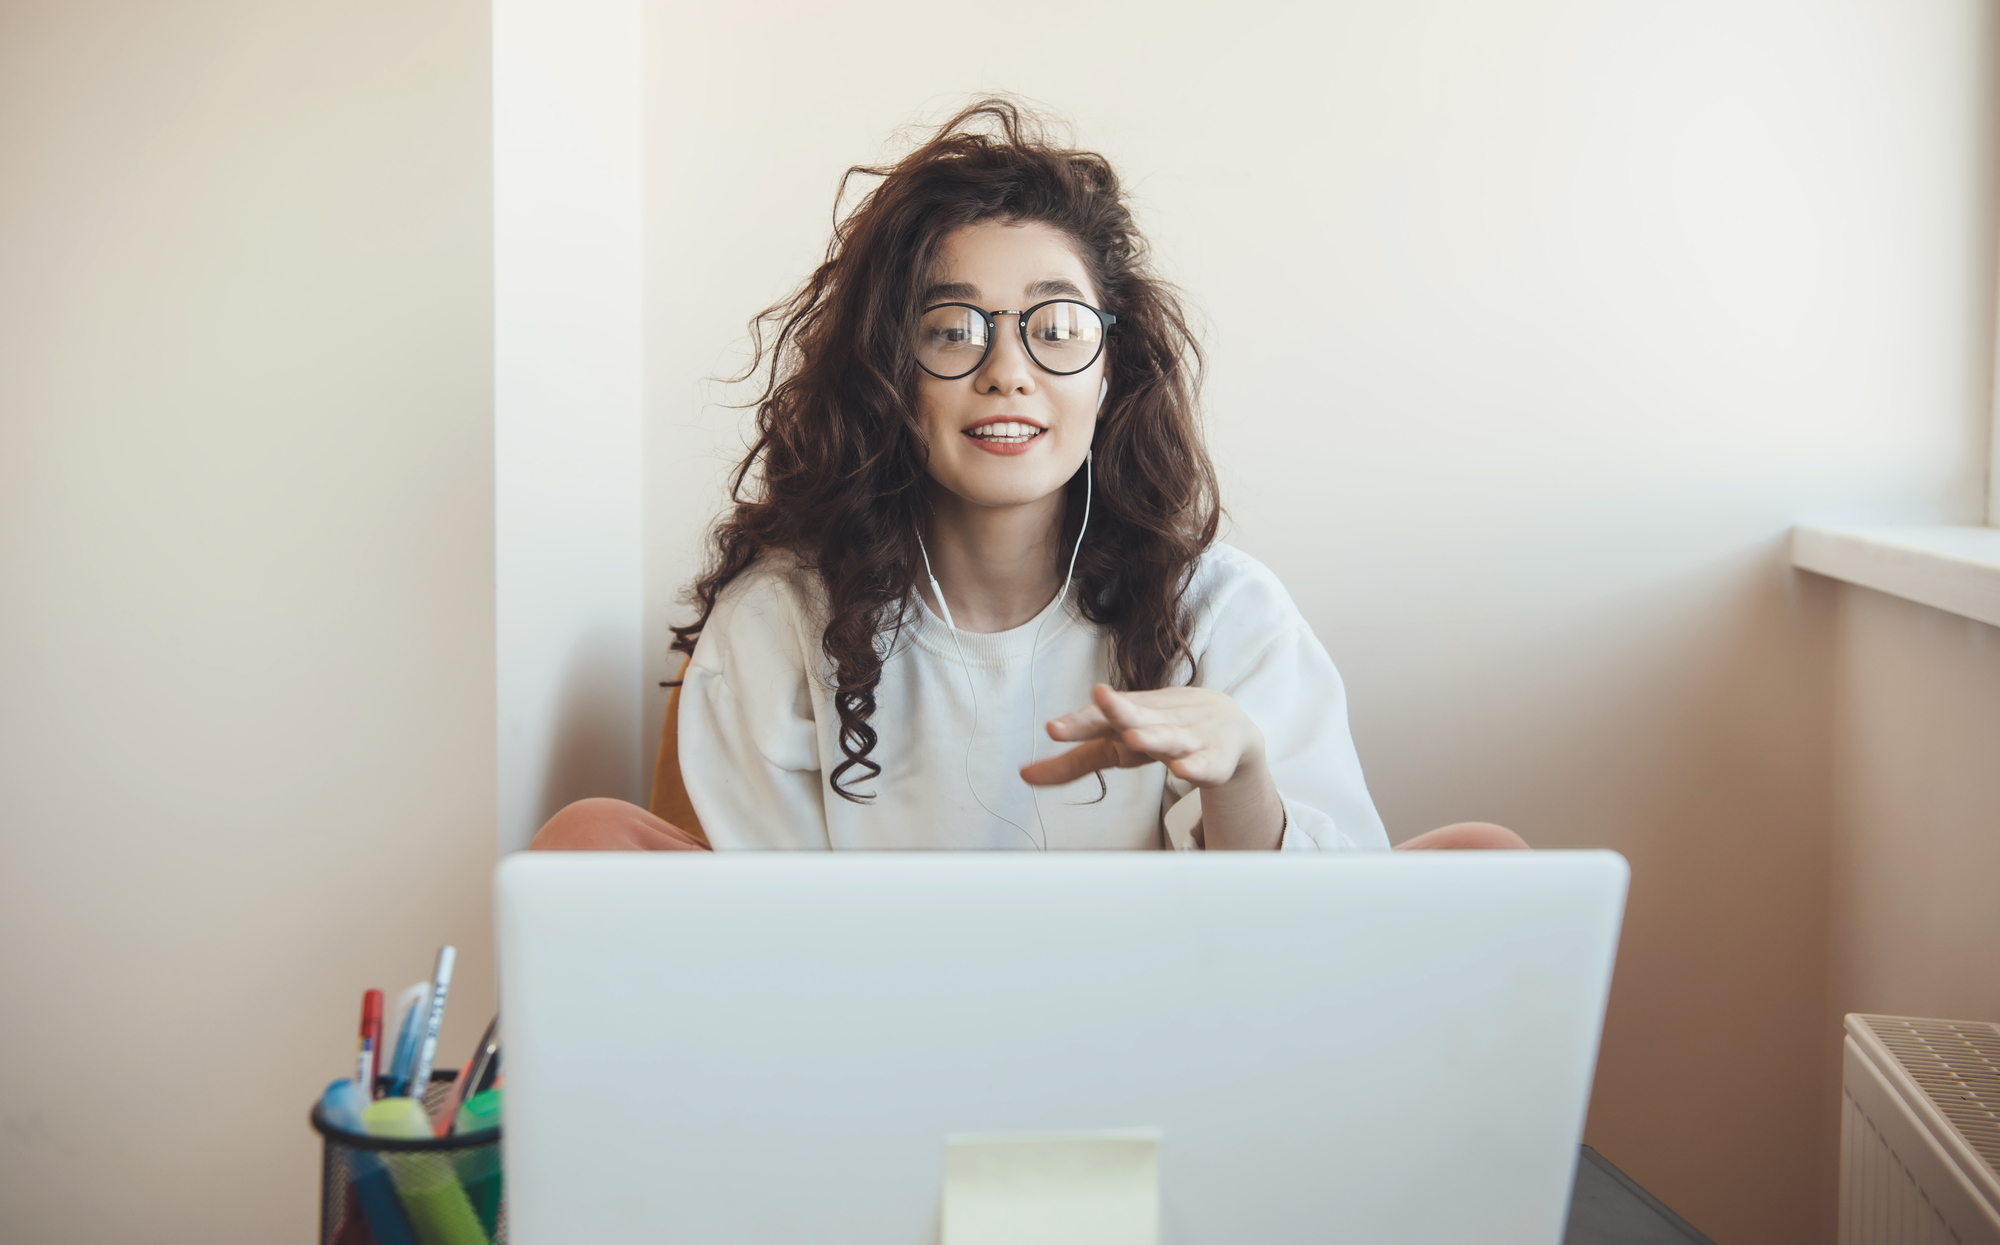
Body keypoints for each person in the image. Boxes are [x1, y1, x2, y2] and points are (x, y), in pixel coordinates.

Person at [532, 100, 1524, 855]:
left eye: (1054, 329)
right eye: (952, 330)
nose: (1006, 370)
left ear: (1108, 372)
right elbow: (755, 949)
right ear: (890, 376)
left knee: (1489, 862)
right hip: (869, 1052)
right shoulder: (779, 620)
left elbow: (1320, 946)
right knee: (585, 838)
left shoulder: (1223, 608)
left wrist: (1240, 772)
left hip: (1169, 1041)